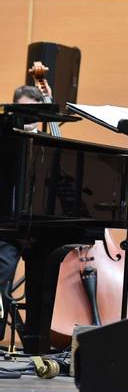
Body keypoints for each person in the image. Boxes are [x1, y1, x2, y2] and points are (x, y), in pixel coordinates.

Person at [1, 85, 54, 320]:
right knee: (2, 269)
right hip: (6, 224)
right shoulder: (4, 141)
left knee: (47, 276)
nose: (29, 118)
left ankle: (38, 332)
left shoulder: (49, 145)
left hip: (41, 226)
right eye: (24, 111)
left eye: (34, 112)